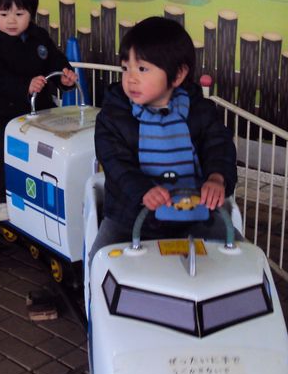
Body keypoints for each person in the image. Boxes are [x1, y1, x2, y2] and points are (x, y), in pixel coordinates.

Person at [90, 16, 238, 262]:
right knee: (100, 259)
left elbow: (219, 146)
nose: (131, 78)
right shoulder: (113, 116)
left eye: (142, 69)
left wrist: (216, 177)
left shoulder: (199, 111)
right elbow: (115, 163)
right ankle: (90, 287)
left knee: (235, 257)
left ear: (177, 75)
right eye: (125, 68)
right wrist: (143, 190)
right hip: (130, 218)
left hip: (196, 215)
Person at [0, 0, 77, 221]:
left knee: (51, 148)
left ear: (31, 13)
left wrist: (65, 77)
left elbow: (55, 61)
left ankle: (46, 198)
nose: (11, 20)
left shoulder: (39, 36)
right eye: (4, 14)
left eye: (19, 14)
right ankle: (2, 199)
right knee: (5, 149)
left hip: (40, 108)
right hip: (2, 111)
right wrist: (24, 86)